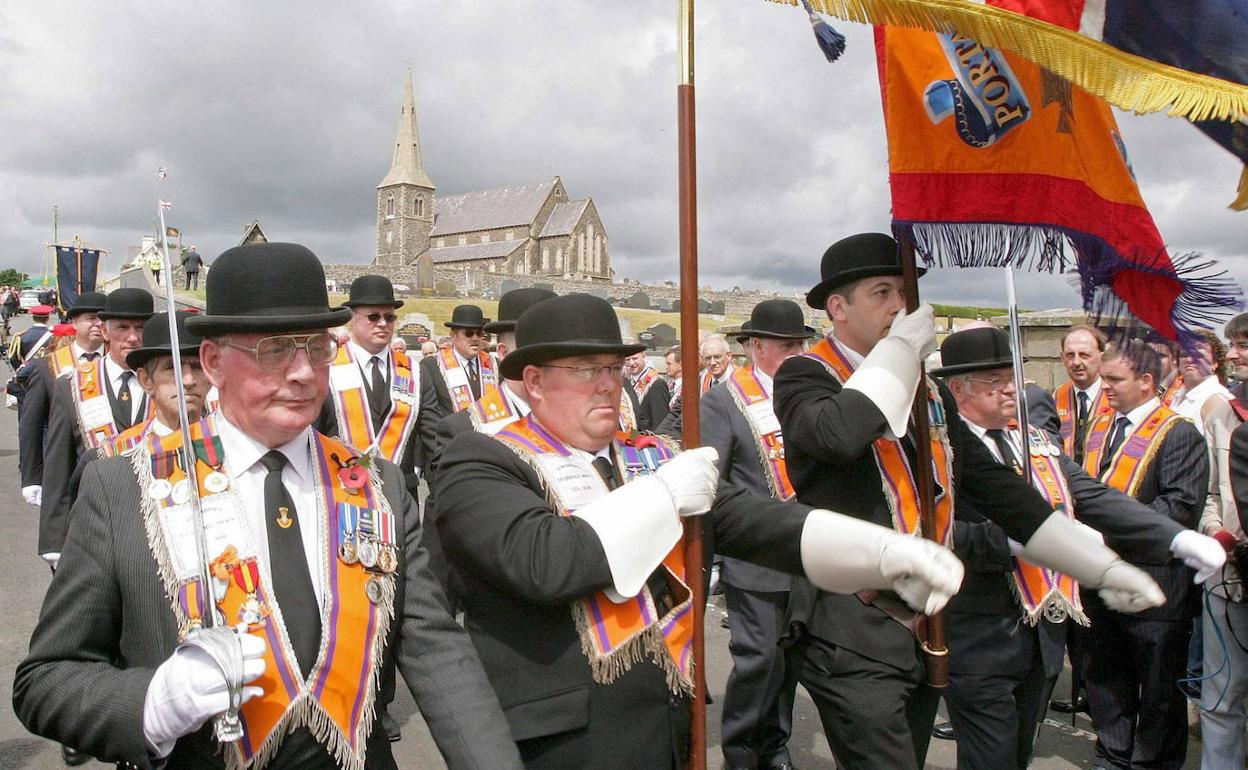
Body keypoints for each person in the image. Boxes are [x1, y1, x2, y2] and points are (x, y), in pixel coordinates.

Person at [14, 241, 523, 770]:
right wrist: (153, 704)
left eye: (317, 347)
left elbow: (437, 650)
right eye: (275, 349)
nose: (304, 372)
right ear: (212, 362)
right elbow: (47, 680)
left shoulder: (378, 485)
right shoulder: (124, 487)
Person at [434, 292, 964, 770]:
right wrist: (664, 495)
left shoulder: (649, 456)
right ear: (534, 381)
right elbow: (544, 562)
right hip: (562, 738)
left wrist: (882, 552)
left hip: (666, 719)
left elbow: (760, 523)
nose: (605, 384)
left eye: (614, 367)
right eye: (582, 368)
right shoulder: (482, 457)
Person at [771, 232, 1163, 770]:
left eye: (904, 294)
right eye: (882, 293)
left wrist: (1094, 562)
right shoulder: (805, 374)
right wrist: (901, 353)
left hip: (925, 620)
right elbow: (837, 435)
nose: (899, 307)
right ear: (838, 308)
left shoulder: (925, 391)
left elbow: (993, 486)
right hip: (852, 626)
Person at [933, 327, 1223, 770]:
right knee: (990, 759)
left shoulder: (1034, 441)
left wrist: (1177, 537)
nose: (1011, 388)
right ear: (958, 389)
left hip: (1041, 635)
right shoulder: (937, 453)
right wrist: (1016, 540)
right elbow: (936, 532)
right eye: (995, 380)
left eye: (1011, 375)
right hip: (978, 635)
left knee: (1019, 754)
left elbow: (1095, 496)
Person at [1080, 340, 1210, 770]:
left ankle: (1152, 763)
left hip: (1157, 585)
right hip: (1101, 580)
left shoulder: (1179, 432)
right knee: (1106, 677)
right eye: (1104, 380)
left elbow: (1179, 507)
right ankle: (1114, 755)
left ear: (1147, 381)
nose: (1106, 389)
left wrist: (1107, 535)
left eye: (1115, 380)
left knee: (1157, 690)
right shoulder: (1098, 427)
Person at [700, 299, 817, 770]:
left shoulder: (809, 395)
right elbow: (714, 482)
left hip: (809, 552)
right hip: (757, 558)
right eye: (786, 346)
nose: (797, 353)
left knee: (791, 660)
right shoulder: (723, 402)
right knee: (758, 660)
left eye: (801, 344)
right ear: (756, 347)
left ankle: (776, 745)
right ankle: (741, 751)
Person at [422, 287, 557, 611]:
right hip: (493, 615)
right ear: (503, 353)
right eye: (533, 348)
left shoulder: (577, 426)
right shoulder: (461, 430)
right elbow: (443, 548)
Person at [37, 288, 153, 570]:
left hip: (152, 523)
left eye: (140, 328)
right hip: (92, 523)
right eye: (123, 328)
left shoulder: (167, 384)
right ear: (105, 331)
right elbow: (59, 464)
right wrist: (54, 540)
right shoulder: (72, 385)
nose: (133, 337)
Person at [1199, 317, 1248, 769]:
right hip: (1228, 576)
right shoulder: (1221, 414)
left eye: (1244, 345)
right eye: (1232, 345)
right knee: (1220, 696)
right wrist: (1218, 533)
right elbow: (1211, 493)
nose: (1232, 355)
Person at [17, 292, 107, 508]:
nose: (97, 324)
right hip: (62, 468)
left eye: (103, 319)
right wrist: (32, 477)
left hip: (106, 467)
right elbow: (32, 424)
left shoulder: (119, 364)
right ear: (75, 322)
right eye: (91, 318)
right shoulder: (47, 367)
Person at [415, 304, 495, 477]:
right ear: (452, 335)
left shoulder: (494, 366)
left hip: (489, 461)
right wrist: (445, 457)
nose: (475, 338)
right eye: (468, 333)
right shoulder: (431, 366)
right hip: (446, 459)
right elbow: (428, 421)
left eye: (479, 333)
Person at [639, 345, 679, 433]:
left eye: (669, 364)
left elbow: (659, 419)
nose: (665, 367)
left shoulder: (658, 384)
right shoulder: (665, 384)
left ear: (681, 365)